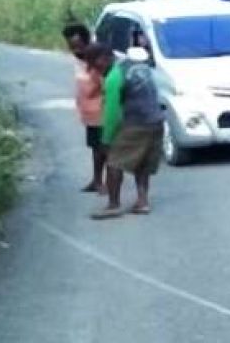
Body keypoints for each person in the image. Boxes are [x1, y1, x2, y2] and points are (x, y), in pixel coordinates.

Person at [86, 43, 165, 220]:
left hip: (136, 122)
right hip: (156, 120)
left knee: (114, 162)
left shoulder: (114, 76)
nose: (94, 69)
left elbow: (112, 112)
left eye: (94, 63)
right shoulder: (138, 67)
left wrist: (106, 139)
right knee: (142, 162)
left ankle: (113, 204)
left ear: (104, 58)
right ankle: (142, 201)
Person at [63, 24, 106, 193]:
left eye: (77, 45)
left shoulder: (96, 59)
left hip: (102, 111)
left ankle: (106, 184)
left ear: (86, 41)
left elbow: (101, 84)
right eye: (70, 46)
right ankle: (97, 180)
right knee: (96, 148)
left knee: (105, 148)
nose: (74, 49)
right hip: (91, 113)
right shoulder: (80, 58)